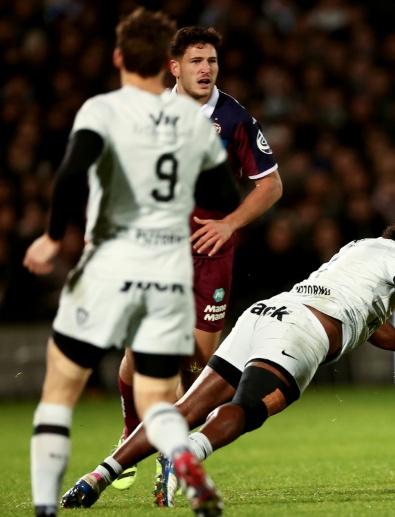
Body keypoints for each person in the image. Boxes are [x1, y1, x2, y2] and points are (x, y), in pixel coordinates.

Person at [58, 216, 395, 509]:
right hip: (298, 333)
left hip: (263, 314)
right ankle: (188, 455)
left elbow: (367, 322)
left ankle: (95, 476)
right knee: (249, 410)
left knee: (185, 406)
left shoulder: (359, 253)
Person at [23, 9, 237, 517]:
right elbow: (222, 192)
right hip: (166, 271)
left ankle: (44, 507)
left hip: (111, 265)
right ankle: (182, 455)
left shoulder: (102, 110)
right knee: (161, 391)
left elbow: (70, 176)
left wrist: (54, 239)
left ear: (119, 57)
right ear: (168, 66)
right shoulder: (192, 120)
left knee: (60, 387)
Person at [110, 25, 283, 491]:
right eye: (196, 62)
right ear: (175, 68)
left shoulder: (233, 118)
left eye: (211, 61)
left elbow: (271, 185)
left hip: (212, 252)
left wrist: (229, 223)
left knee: (202, 367)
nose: (206, 69)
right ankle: (133, 433)